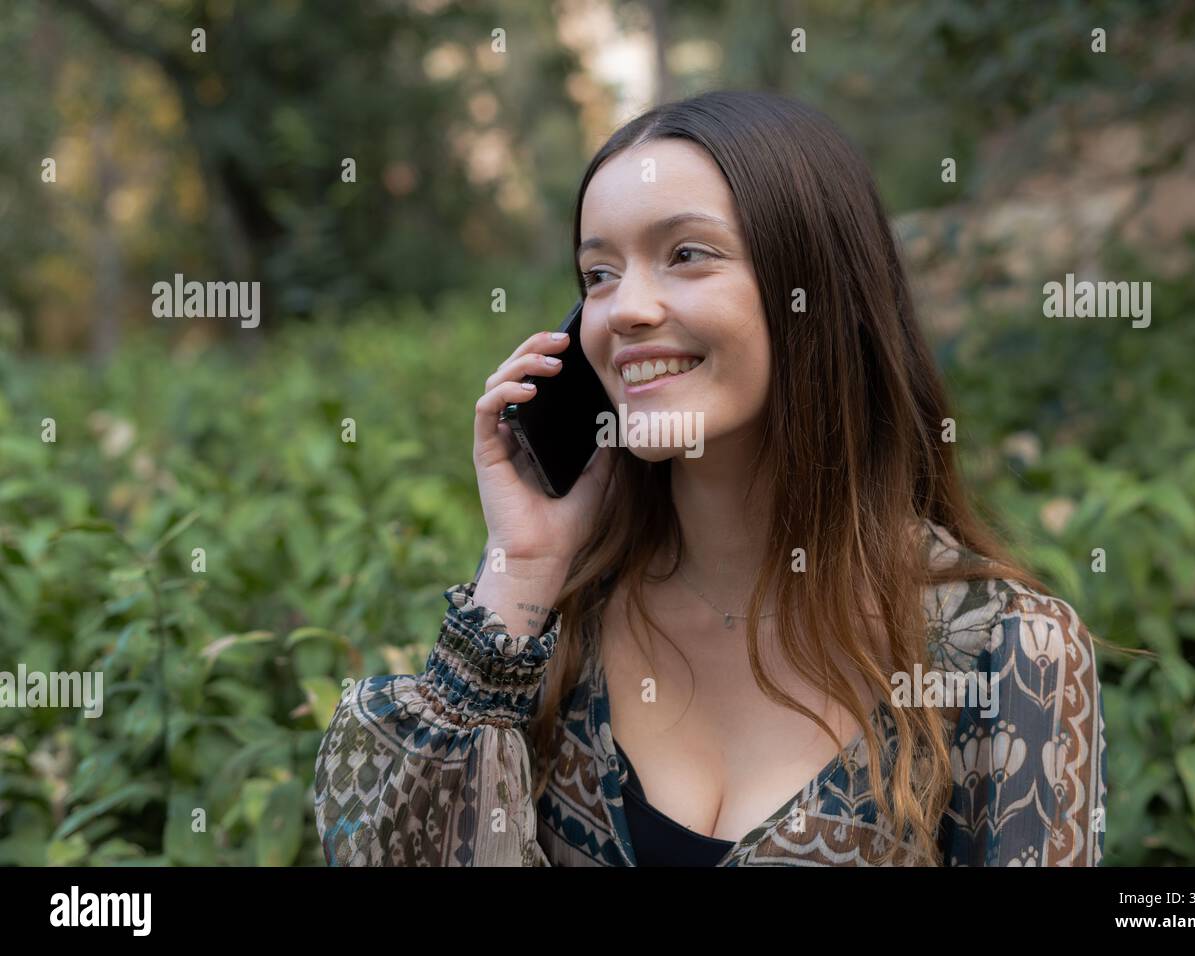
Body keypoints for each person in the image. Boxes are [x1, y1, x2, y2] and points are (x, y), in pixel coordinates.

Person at [314, 89, 1107, 867]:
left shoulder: (1007, 655)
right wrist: (519, 569)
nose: (625, 309)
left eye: (686, 254)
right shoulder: (553, 635)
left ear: (816, 291)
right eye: (598, 274)